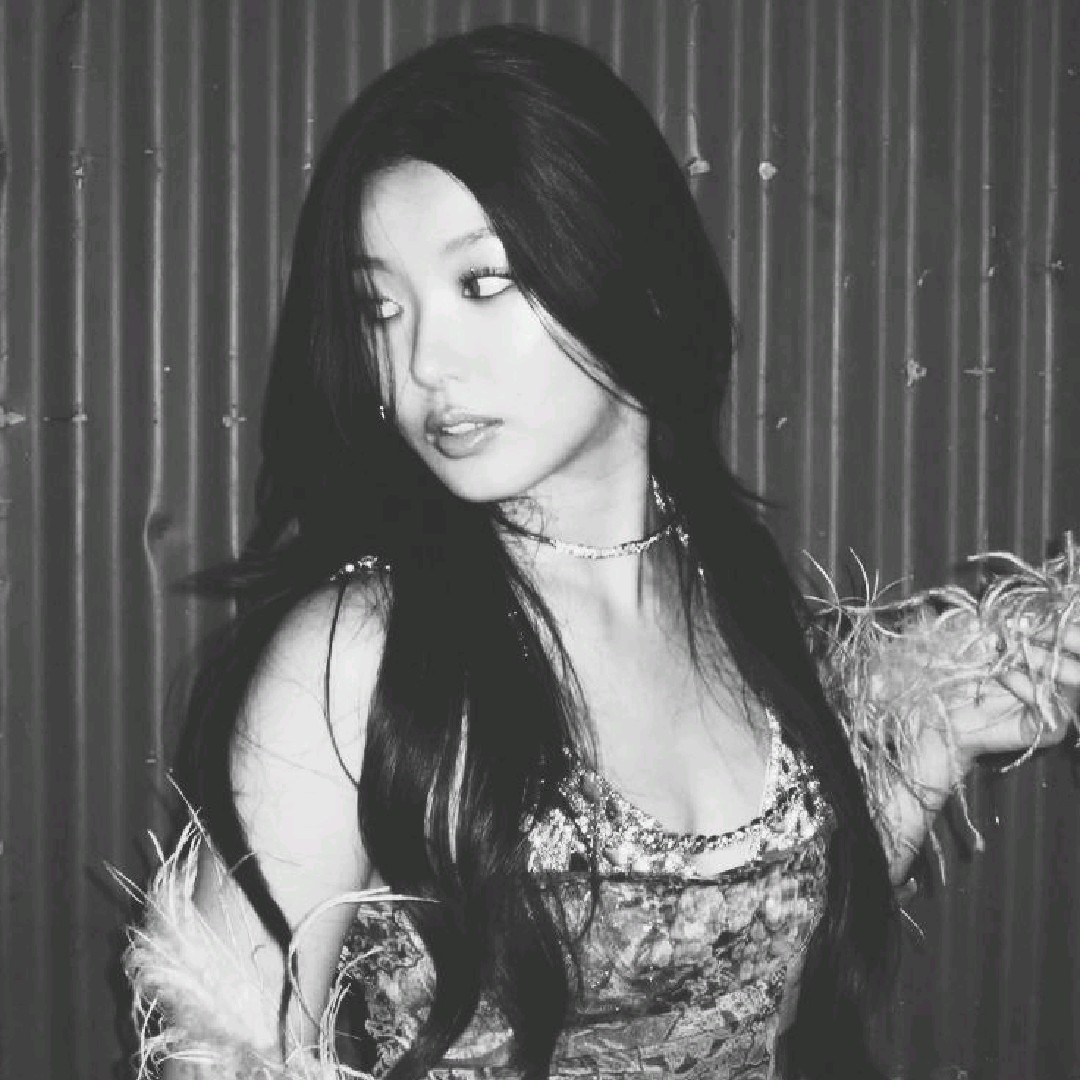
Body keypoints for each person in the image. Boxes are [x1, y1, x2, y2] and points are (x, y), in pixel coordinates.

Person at [122, 25, 1080, 1080]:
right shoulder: (360, 655)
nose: (422, 362)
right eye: (379, 307)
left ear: (624, 268)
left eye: (480, 284)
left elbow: (744, 982)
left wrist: (928, 748)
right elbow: (221, 1053)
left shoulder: (728, 588)